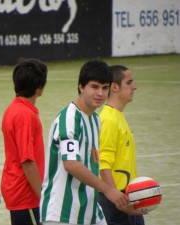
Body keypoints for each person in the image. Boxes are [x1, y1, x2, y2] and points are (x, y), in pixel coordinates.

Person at [40, 60, 130, 225]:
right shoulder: (69, 118)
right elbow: (71, 164)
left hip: (90, 212)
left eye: (105, 88)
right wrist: (108, 190)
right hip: (62, 215)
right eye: (94, 87)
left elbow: (92, 164)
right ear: (81, 87)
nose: (100, 93)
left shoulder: (96, 119)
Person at [1, 58, 47, 225]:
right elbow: (27, 161)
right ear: (39, 88)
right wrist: (44, 197)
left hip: (18, 191)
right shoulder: (25, 115)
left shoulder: (14, 109)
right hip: (27, 195)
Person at [98, 65, 145, 225]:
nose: (134, 87)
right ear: (115, 87)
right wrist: (118, 200)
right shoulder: (109, 120)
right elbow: (103, 166)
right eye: (129, 82)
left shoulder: (117, 116)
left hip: (126, 198)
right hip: (117, 202)